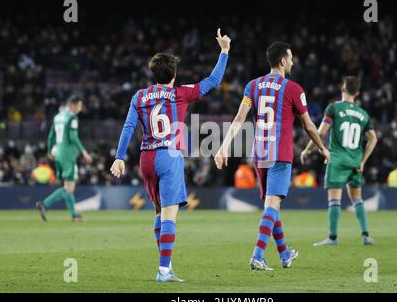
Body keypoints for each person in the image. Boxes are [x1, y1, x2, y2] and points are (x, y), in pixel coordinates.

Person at [110, 28, 231, 283]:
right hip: (168, 155)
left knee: (158, 212)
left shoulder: (139, 96)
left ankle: (167, 266)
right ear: (174, 75)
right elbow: (212, 82)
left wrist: (120, 157)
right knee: (169, 216)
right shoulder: (181, 93)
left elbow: (129, 127)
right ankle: (163, 271)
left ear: (153, 74)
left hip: (146, 159)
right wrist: (224, 52)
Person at [214, 41, 329, 271]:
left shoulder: (252, 86)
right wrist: (322, 148)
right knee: (272, 205)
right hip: (280, 154)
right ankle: (257, 256)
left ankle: (284, 254)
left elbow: (239, 119)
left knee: (272, 205)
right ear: (283, 61)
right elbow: (308, 126)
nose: (294, 62)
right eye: (291, 58)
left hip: (260, 154)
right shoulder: (294, 89)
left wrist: (223, 146)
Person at [301, 76, 378, 246]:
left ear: (342, 89)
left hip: (337, 160)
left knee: (334, 200)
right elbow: (373, 139)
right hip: (355, 162)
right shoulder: (363, 114)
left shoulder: (334, 108)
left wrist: (307, 150)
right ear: (357, 93)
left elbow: (320, 133)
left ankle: (333, 238)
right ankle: (365, 235)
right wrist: (363, 160)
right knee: (357, 198)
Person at [36, 95, 93, 222]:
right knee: (69, 188)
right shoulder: (72, 118)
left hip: (58, 154)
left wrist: (50, 150)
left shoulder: (58, 117)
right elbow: (73, 137)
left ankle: (74, 215)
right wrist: (84, 152)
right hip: (68, 154)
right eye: (79, 105)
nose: (80, 108)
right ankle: (44, 204)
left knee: (68, 186)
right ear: (73, 105)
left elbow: (51, 135)